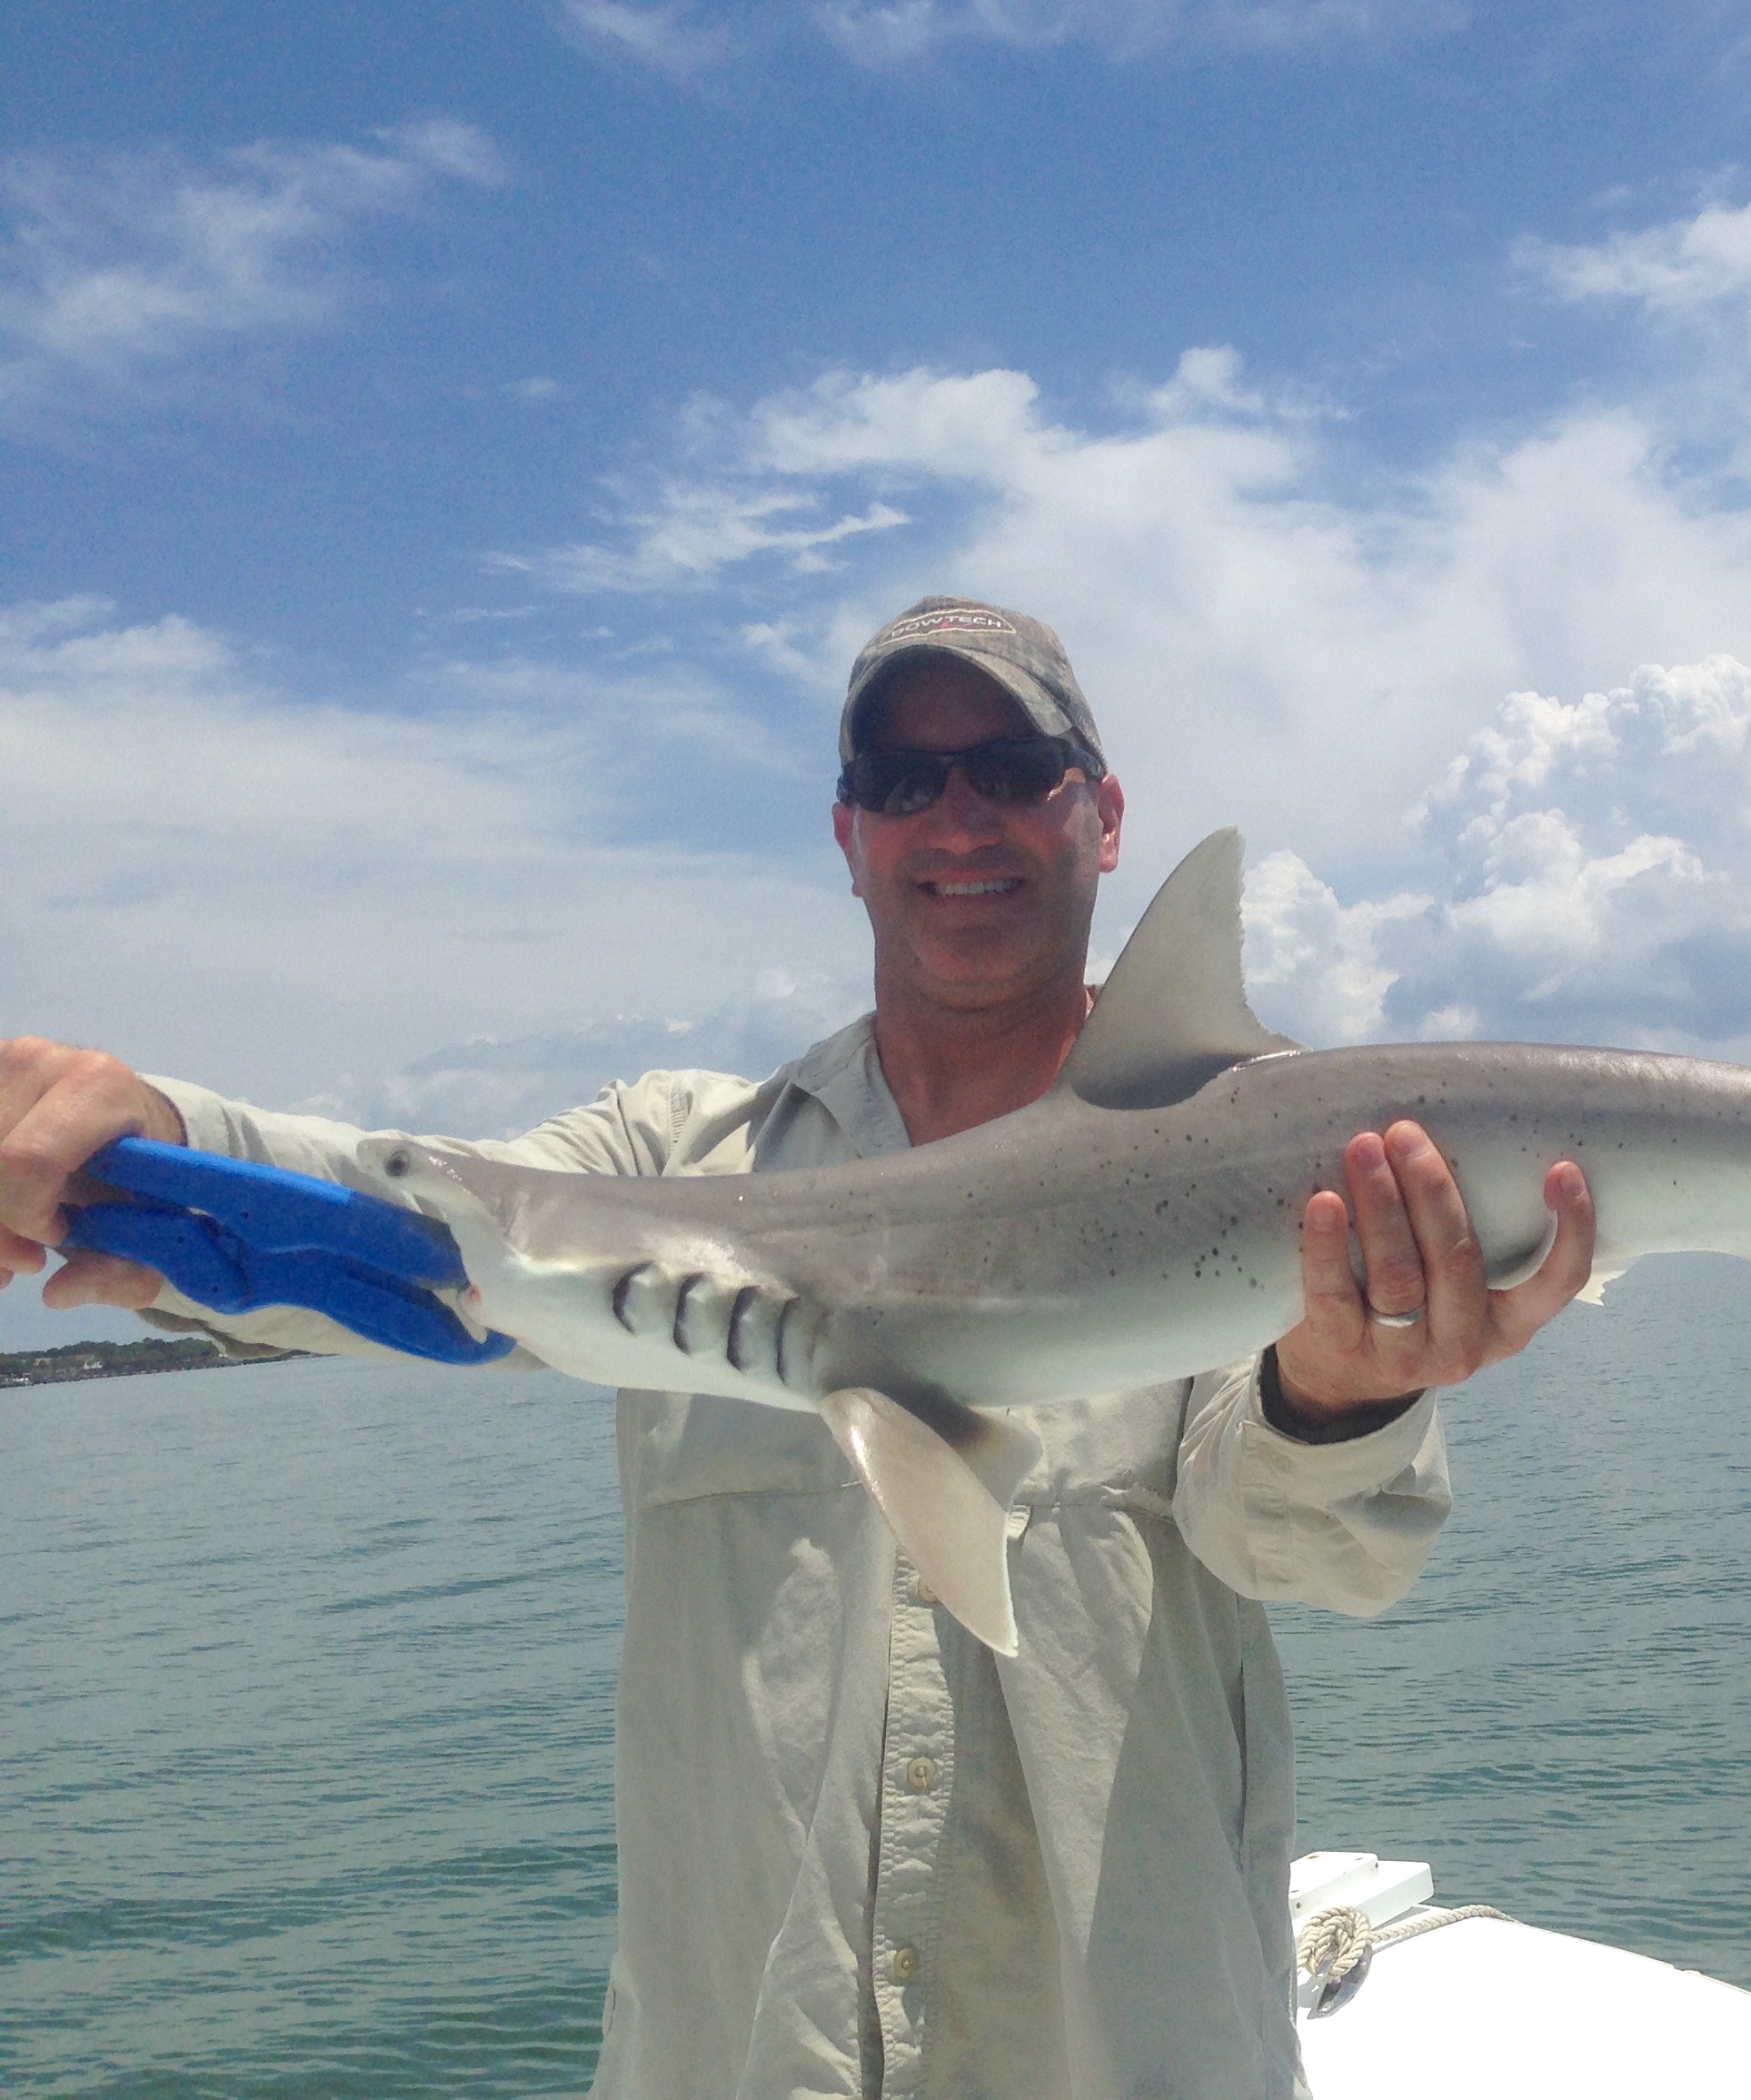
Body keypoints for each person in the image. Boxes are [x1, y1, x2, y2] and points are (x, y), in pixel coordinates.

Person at [0, 595, 1597, 2100]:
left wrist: (1340, 1388)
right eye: (904, 779)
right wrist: (154, 1160)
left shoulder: (1288, 1173)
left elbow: (1324, 1558)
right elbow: (421, 1238)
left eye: (1011, 769)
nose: (958, 818)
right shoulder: (674, 1164)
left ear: (1102, 816)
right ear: (849, 835)